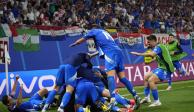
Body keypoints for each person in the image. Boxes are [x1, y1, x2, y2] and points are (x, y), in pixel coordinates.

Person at [69, 26, 141, 109]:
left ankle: (113, 100)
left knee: (110, 76)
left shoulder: (94, 31)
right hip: (118, 52)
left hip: (111, 53)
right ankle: (135, 95)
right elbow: (103, 47)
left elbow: (82, 39)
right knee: (122, 78)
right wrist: (94, 54)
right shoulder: (105, 33)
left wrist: (76, 43)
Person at [130, 35, 175, 107]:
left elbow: (152, 54)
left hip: (166, 68)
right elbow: (156, 57)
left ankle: (157, 101)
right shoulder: (156, 48)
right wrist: (148, 62)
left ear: (154, 41)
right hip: (160, 67)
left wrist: (139, 54)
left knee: (151, 80)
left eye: (149, 42)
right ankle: (147, 98)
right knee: (146, 77)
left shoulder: (159, 46)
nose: (148, 43)